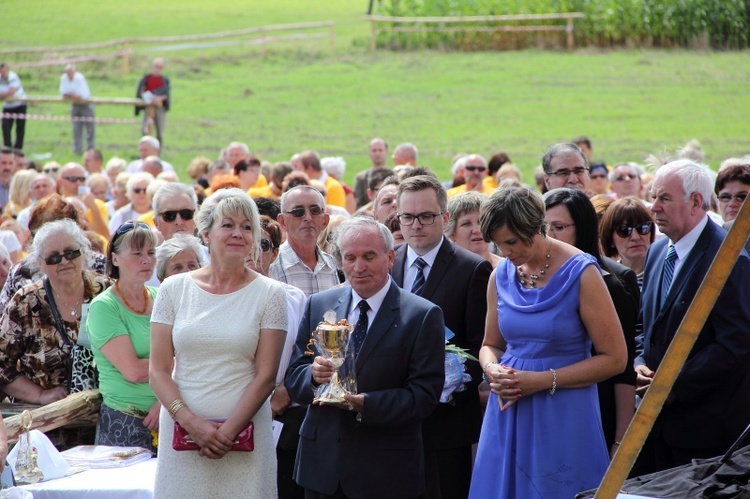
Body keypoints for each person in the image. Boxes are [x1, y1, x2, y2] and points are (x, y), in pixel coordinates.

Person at [469, 186, 626, 498]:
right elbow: (491, 344)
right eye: (498, 244)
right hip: (509, 407)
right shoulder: (499, 276)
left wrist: (542, 381)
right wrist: (492, 370)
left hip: (565, 410)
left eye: (511, 242)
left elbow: (615, 358)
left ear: (534, 227)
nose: (504, 252)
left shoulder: (582, 272)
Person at [285, 217, 445, 498]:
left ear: (390, 257)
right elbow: (294, 373)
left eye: (369, 256)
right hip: (323, 468)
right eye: (350, 257)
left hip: (385, 470)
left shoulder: (421, 315)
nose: (359, 267)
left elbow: (424, 395)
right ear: (340, 261)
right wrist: (312, 375)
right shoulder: (319, 304)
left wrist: (365, 405)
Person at [149, 188, 288, 498]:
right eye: (228, 225)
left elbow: (266, 377)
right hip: (182, 438)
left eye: (247, 226)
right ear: (206, 233)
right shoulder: (173, 289)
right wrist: (190, 424)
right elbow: (158, 370)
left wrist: (227, 432)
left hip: (246, 438)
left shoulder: (271, 294)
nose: (238, 233)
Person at [634, 159, 750, 473]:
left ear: (696, 202)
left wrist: (674, 385)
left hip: (704, 434)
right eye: (653, 196)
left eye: (664, 198)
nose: (654, 207)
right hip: (654, 429)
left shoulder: (729, 259)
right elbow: (645, 325)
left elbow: (733, 345)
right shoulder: (658, 252)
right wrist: (640, 363)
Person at [391, 174, 492, 498]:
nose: (416, 225)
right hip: (390, 422)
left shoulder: (472, 269)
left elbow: (481, 343)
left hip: (446, 425)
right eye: (408, 217)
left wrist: (450, 380)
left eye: (426, 216)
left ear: (444, 218)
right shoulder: (386, 264)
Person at [543, 188, 638, 453]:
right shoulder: (529, 281)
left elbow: (624, 369)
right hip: (545, 406)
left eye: (559, 227)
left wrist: (621, 442)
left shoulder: (612, 283)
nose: (549, 235)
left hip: (595, 409)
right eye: (543, 226)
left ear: (582, 229)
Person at [0, 219, 110, 445]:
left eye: (71, 252)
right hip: (47, 431)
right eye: (54, 257)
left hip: (104, 423)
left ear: (84, 252)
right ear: (41, 264)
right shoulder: (25, 303)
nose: (64, 261)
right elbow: (1, 366)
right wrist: (40, 395)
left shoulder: (107, 292)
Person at [245, 215, 307, 499]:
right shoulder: (208, 296)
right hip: (223, 418)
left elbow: (308, 355)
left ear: (275, 252)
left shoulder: (295, 300)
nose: (254, 251)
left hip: (283, 419)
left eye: (263, 243)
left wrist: (284, 393)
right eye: (247, 241)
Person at [87, 221, 159, 453]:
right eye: (137, 253)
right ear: (115, 259)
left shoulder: (162, 298)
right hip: (125, 421)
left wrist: (166, 403)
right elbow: (134, 371)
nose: (147, 259)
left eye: (151, 252)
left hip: (168, 413)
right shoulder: (103, 307)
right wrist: (178, 365)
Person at [269, 185, 340, 297]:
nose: (308, 217)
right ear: (282, 221)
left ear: (325, 221)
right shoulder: (271, 266)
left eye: (315, 210)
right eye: (298, 212)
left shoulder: (332, 265)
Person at [600, 196, 656, 289]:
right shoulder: (606, 282)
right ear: (610, 239)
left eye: (643, 228)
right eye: (624, 230)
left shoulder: (665, 274)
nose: (635, 237)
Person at [446, 191, 501, 267]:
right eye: (466, 224)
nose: (477, 230)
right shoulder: (444, 272)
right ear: (452, 234)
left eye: (481, 222)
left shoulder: (508, 269)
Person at [59, 65, 95, 155]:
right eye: (67, 72)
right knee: (76, 128)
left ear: (74, 71)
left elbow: (80, 96)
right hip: (75, 105)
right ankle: (78, 150)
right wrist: (72, 97)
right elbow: (63, 94)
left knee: (90, 129)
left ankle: (90, 150)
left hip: (85, 104)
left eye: (70, 72)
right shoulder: (63, 78)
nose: (68, 74)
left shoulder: (79, 78)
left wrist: (69, 96)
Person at [136, 59, 170, 146]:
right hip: (148, 106)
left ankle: (157, 152)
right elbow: (141, 91)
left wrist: (157, 98)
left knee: (160, 133)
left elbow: (166, 94)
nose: (158, 69)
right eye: (156, 67)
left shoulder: (164, 80)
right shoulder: (146, 78)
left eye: (160, 67)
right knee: (145, 130)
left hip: (159, 107)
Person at [354, 137, 389, 208]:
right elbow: (358, 204)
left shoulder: (395, 176)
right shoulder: (361, 178)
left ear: (386, 153)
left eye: (380, 150)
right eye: (374, 150)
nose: (377, 153)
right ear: (369, 153)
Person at [0, 64, 27, 150]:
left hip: (20, 104)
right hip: (8, 105)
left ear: (7, 69)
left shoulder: (13, 77)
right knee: (5, 127)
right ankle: (7, 148)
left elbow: (11, 92)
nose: (2, 74)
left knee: (20, 128)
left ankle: (18, 149)